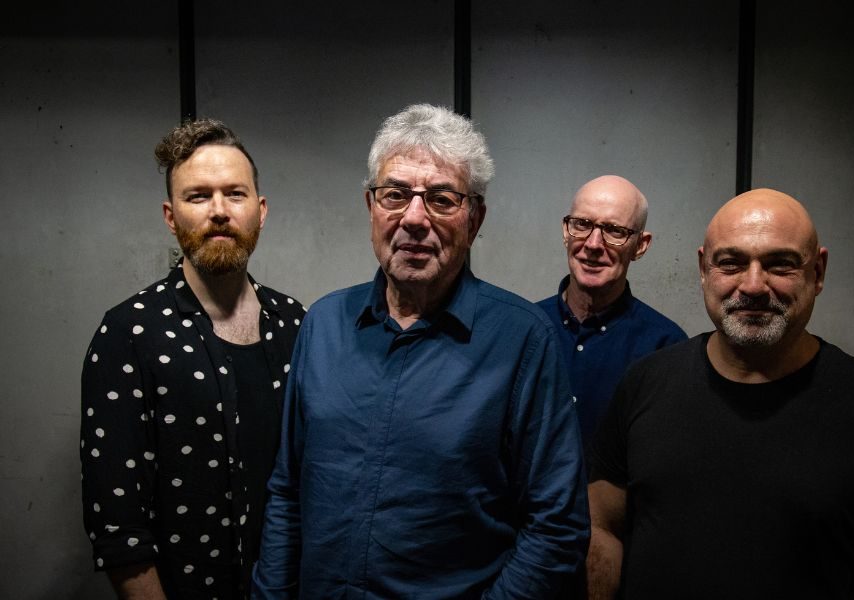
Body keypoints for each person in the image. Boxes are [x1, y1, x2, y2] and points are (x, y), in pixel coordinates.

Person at [252, 104, 589, 599]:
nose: (414, 218)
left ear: (474, 220)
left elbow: (556, 529)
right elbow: (287, 492)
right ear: (371, 207)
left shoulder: (523, 341)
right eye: (395, 194)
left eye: (441, 199)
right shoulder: (323, 324)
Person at [588, 188, 854, 599]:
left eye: (780, 264)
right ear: (703, 268)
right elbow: (603, 529)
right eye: (731, 263)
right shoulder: (643, 385)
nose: (753, 285)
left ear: (818, 272)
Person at [81, 119, 306, 599]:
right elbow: (118, 524)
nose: (220, 211)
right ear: (170, 215)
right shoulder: (129, 333)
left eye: (235, 194)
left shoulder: (298, 323)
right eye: (198, 196)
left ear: (260, 211)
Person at [537, 175, 686, 446]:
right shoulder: (527, 328)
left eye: (614, 231)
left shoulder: (666, 347)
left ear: (640, 246)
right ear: (565, 231)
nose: (593, 244)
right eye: (582, 224)